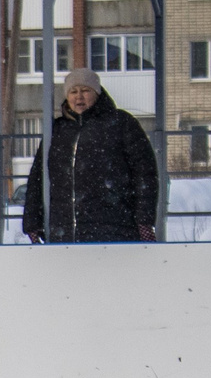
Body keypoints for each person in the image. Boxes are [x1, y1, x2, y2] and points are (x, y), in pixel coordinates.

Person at [21, 68, 160, 245]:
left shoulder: (121, 124)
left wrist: (144, 222)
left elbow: (145, 173)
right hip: (64, 233)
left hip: (114, 230)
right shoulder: (56, 130)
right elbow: (37, 178)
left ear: (97, 93)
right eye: (73, 91)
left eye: (85, 90)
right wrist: (33, 223)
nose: (79, 96)